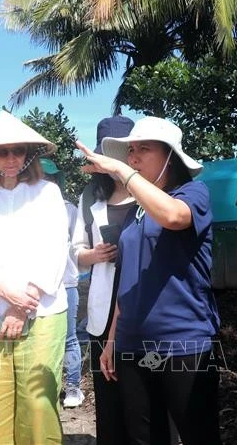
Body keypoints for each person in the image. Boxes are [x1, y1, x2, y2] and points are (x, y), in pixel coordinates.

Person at [76, 116, 222, 445]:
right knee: (146, 435)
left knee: (197, 434)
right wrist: (112, 339)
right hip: (135, 347)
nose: (134, 158)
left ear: (170, 155)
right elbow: (128, 280)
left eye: (144, 149)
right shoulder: (135, 213)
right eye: (130, 152)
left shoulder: (193, 194)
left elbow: (173, 216)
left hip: (181, 345)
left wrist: (123, 174)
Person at [0, 110, 69, 444]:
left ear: (28, 154)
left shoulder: (47, 193)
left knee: (38, 404)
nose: (11, 158)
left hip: (43, 312)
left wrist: (21, 305)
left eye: (17, 150)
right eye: (2, 151)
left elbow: (55, 251)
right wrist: (8, 297)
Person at [72, 117, 136, 443]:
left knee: (142, 396)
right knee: (108, 395)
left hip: (140, 305)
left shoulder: (149, 194)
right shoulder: (90, 199)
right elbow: (76, 251)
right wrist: (93, 255)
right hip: (103, 304)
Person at [40, 157, 85, 408]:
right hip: (33, 287)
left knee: (67, 338)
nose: (45, 181)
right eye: (40, 176)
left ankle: (73, 387)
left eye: (49, 177)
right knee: (42, 338)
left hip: (64, 283)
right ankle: (49, 386)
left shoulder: (68, 209)